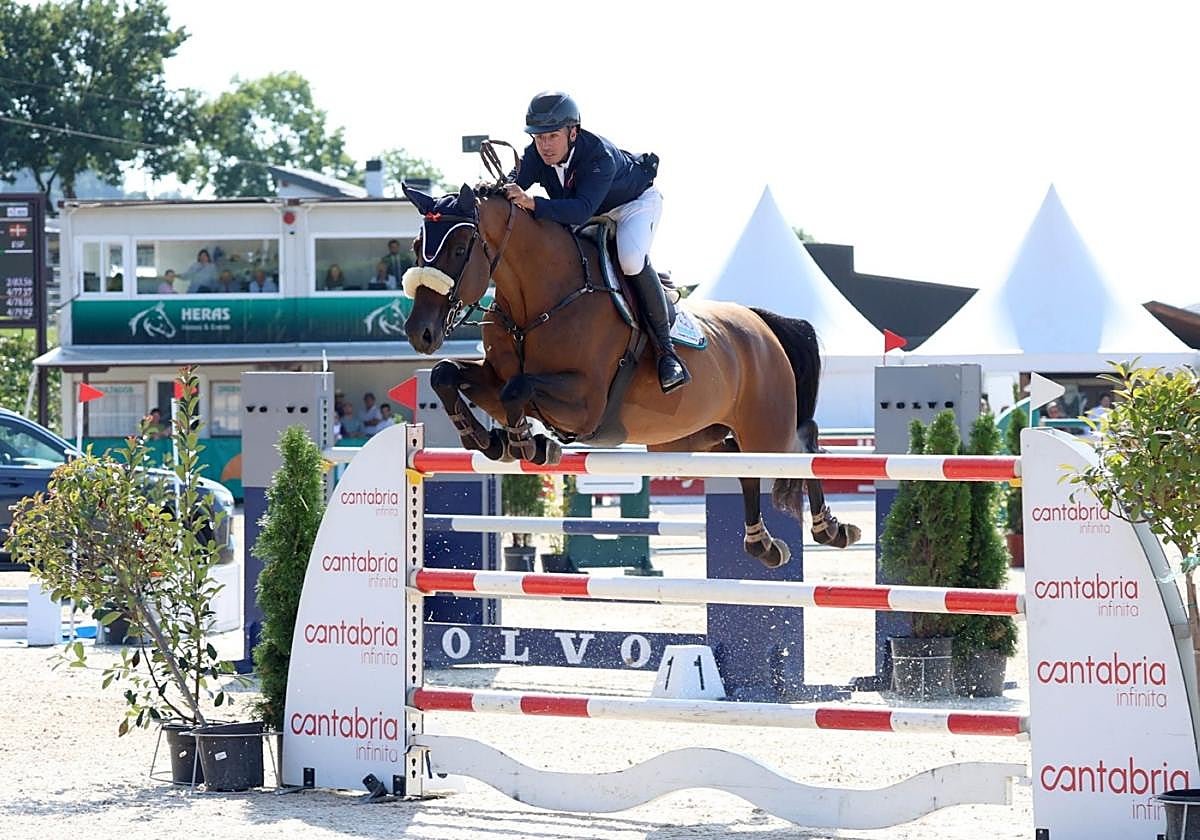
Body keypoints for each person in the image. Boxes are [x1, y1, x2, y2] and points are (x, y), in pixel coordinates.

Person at [503, 91, 689, 393]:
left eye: (552, 136)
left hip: (632, 206)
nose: (545, 145)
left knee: (629, 259)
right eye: (539, 138)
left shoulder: (598, 155)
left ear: (572, 132)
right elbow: (514, 182)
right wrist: (495, 189)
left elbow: (580, 210)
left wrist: (532, 203)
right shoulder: (537, 154)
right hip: (590, 210)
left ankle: (667, 354)